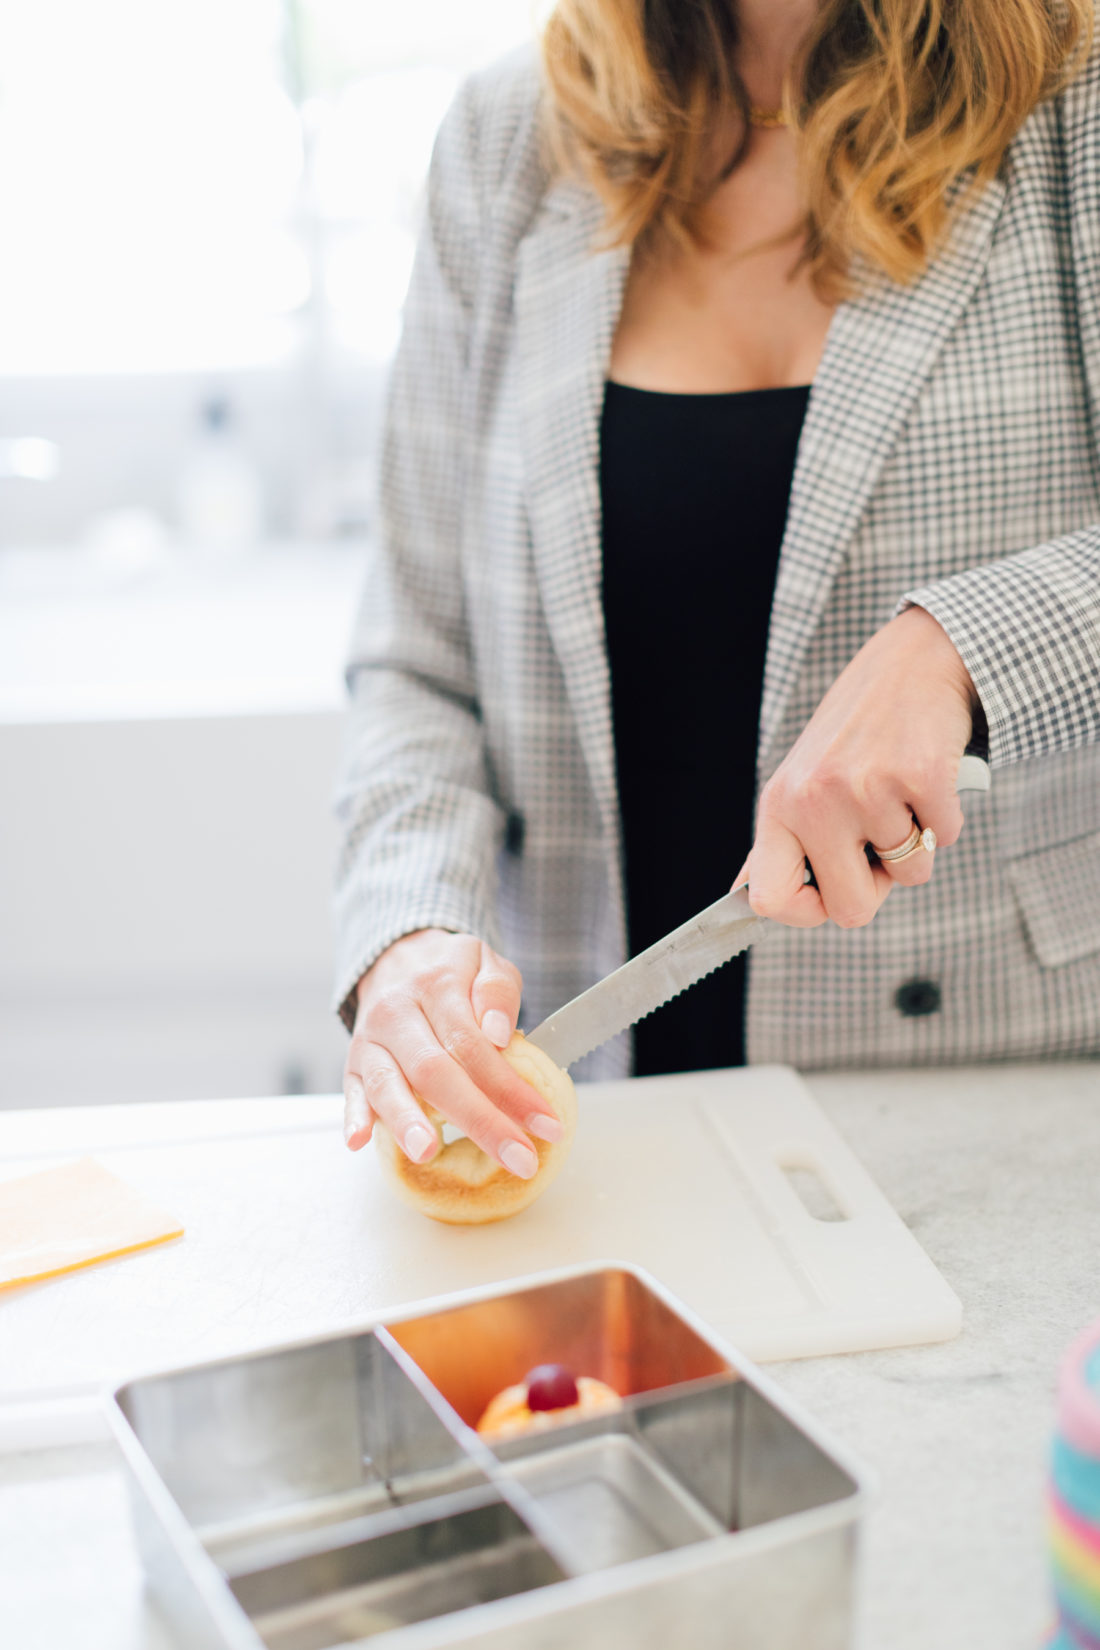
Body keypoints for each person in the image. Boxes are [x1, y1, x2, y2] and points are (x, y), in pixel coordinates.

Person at [336, 0, 1100, 1177]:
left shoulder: (1073, 105)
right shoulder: (509, 137)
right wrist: (411, 925)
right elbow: (417, 662)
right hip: (600, 1132)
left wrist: (959, 648)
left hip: (1007, 1125)